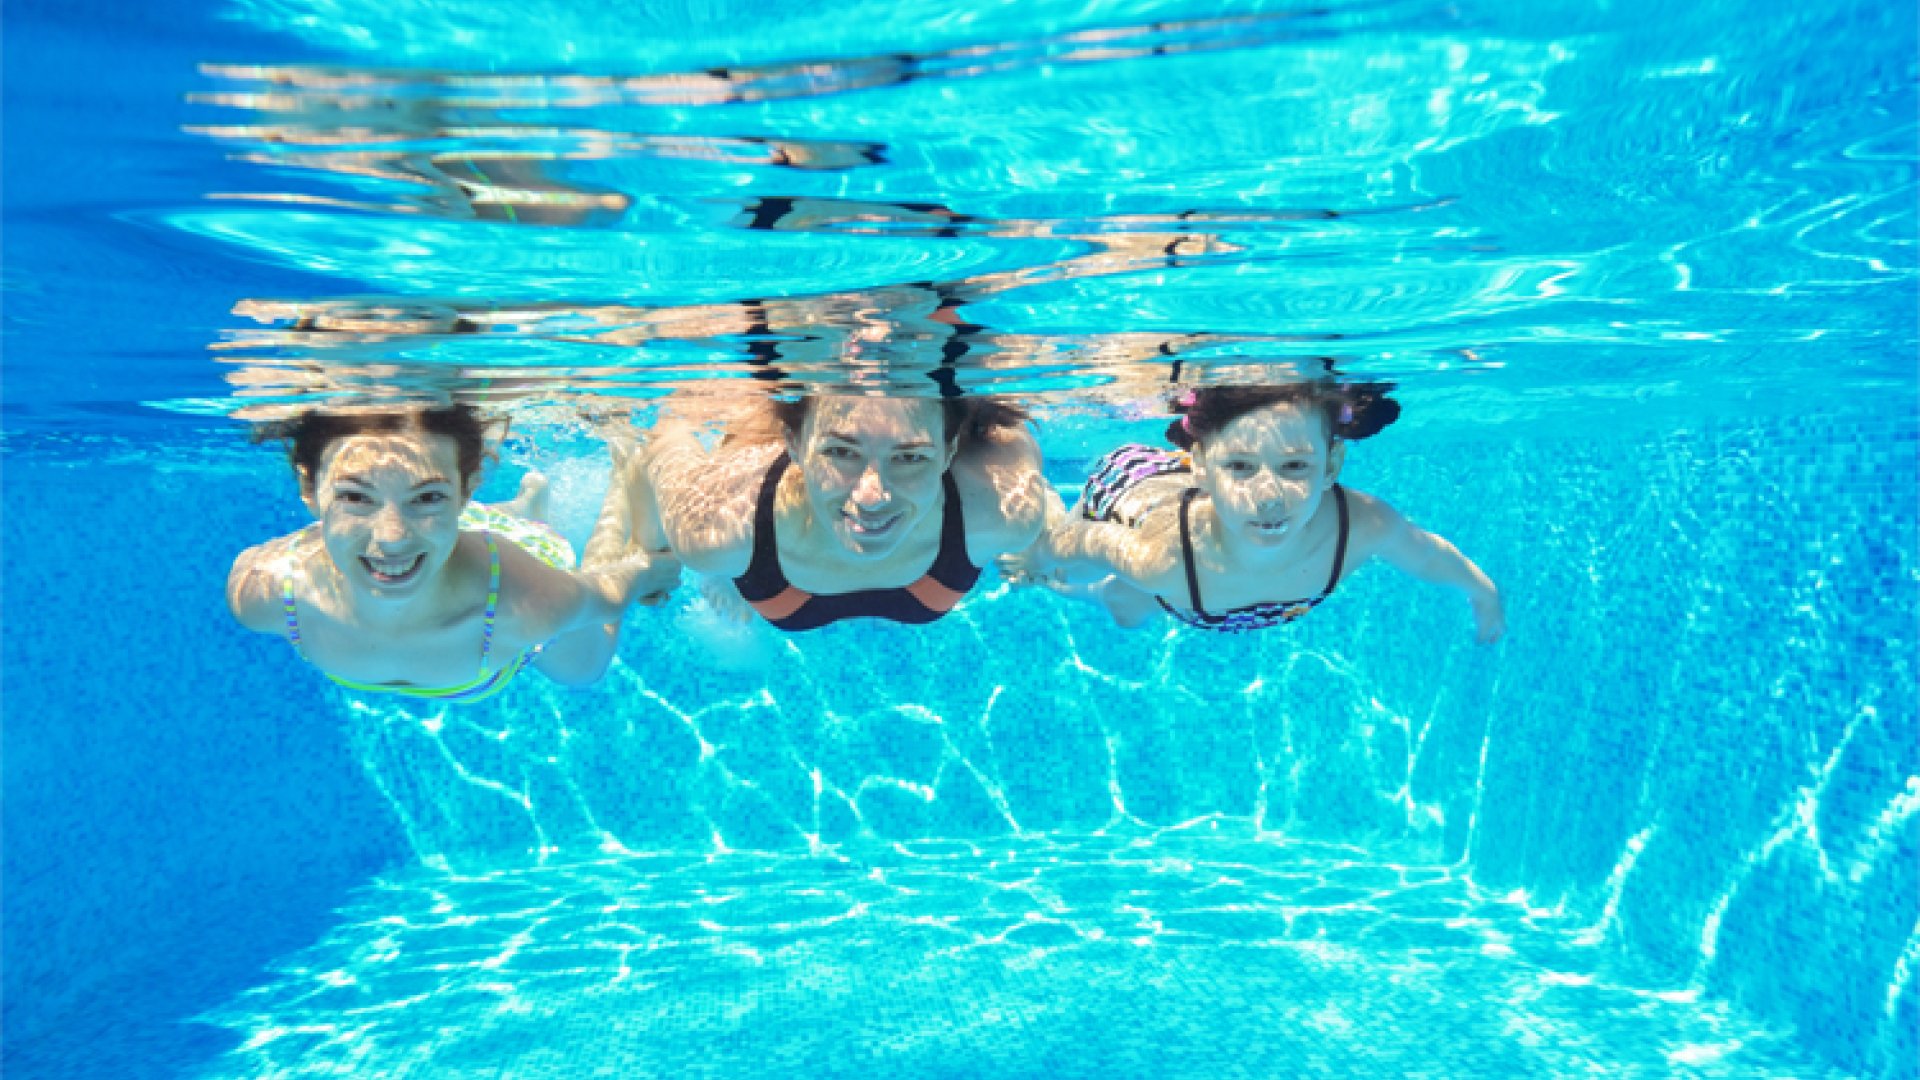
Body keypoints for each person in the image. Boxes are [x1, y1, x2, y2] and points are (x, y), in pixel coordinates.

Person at [227, 406, 679, 701]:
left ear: (468, 491)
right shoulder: (263, 594)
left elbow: (610, 593)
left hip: (511, 569)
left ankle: (624, 467)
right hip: (451, 548)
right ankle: (524, 505)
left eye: (427, 498)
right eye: (355, 498)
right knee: (425, 538)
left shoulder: (528, 606)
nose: (390, 538)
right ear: (309, 489)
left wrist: (653, 571)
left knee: (587, 669)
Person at [1003, 382, 1506, 641]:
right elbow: (1087, 541)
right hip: (1132, 493)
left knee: (1136, 607)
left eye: (1294, 466)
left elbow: (1426, 556)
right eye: (1242, 467)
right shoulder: (1163, 558)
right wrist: (1038, 558)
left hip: (1191, 568)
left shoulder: (1361, 525)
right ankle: (1048, 503)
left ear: (1331, 464)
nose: (1269, 496)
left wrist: (1481, 592)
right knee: (1120, 602)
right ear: (1201, 465)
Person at [645, 391, 1050, 632]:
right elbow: (661, 443)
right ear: (794, 445)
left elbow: (1016, 442)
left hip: (767, 568)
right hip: (758, 537)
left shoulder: (1004, 511)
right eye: (841, 452)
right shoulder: (716, 522)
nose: (873, 497)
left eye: (910, 456)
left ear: (950, 453)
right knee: (719, 553)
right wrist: (625, 541)